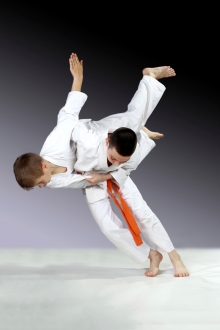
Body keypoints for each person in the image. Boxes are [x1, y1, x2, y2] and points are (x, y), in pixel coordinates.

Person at [13, 53, 189, 277]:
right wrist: (97, 179)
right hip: (92, 174)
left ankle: (150, 79)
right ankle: (151, 255)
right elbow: (83, 181)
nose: (41, 187)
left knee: (133, 121)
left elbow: (69, 113)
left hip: (101, 139)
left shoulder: (61, 142)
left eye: (39, 182)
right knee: (108, 226)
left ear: (44, 167)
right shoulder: (50, 182)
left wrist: (77, 78)